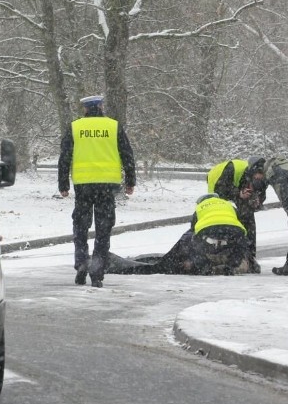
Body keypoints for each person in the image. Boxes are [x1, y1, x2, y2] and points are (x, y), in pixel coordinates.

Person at [58, 95, 136, 287]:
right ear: (100, 106)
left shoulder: (75, 127)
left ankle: (82, 263)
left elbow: (65, 157)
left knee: (81, 227)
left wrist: (63, 184)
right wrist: (130, 181)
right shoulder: (113, 126)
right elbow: (127, 153)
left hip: (83, 186)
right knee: (103, 230)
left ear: (85, 109)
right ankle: (98, 270)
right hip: (107, 186)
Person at [107, 194, 254, 276]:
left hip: (208, 231)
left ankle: (204, 267)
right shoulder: (228, 205)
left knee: (196, 244)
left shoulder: (200, 208)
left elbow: (192, 232)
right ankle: (231, 266)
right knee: (238, 244)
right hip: (236, 232)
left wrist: (187, 257)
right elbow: (239, 223)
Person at [207, 157, 267, 272]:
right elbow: (221, 189)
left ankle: (249, 257)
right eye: (255, 178)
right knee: (223, 217)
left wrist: (258, 200)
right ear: (250, 174)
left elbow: (262, 194)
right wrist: (238, 193)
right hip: (217, 183)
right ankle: (221, 253)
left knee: (248, 217)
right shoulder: (232, 169)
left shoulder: (263, 179)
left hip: (238, 188)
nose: (257, 180)